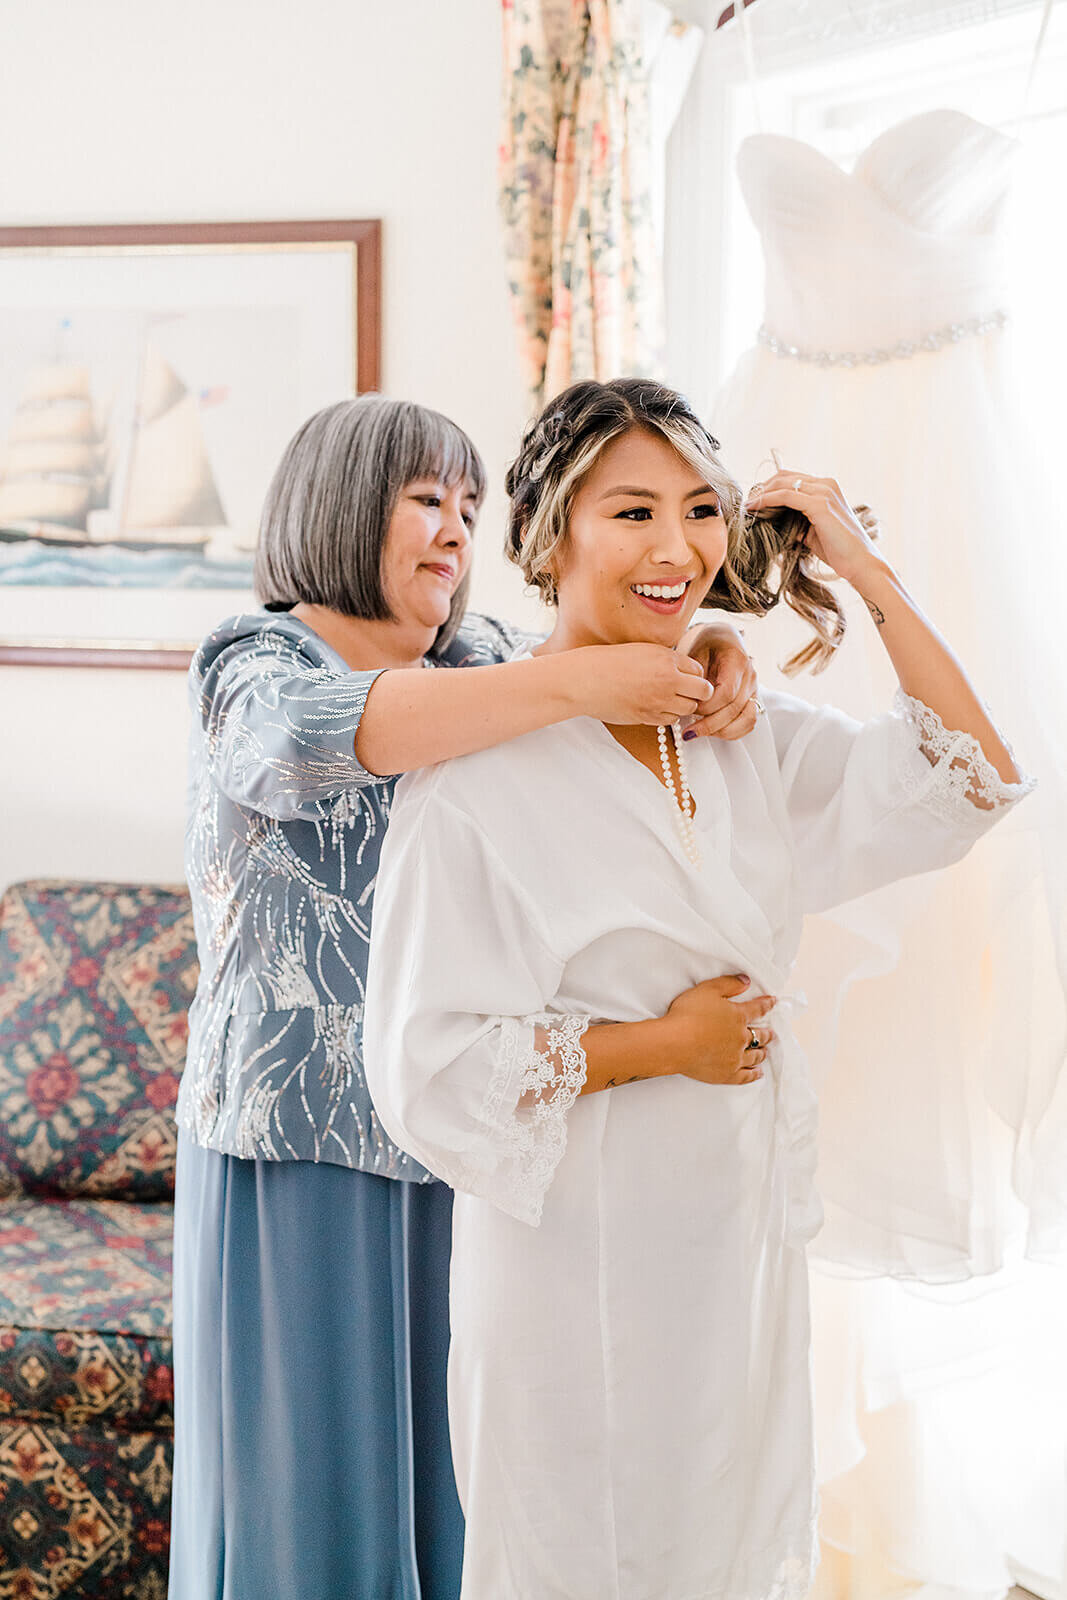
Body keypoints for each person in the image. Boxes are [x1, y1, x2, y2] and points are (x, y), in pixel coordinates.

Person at [361, 377, 1034, 1600]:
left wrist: (863, 570)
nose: (675, 549)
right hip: (571, 1263)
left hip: (731, 1246)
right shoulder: (474, 779)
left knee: (720, 1554)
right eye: (630, 512)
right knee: (579, 1558)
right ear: (550, 535)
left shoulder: (740, 734)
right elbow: (423, 1062)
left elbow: (972, 779)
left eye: (699, 509)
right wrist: (664, 1043)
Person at [168, 393, 760, 1600]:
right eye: (425, 499)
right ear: (341, 504)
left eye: (469, 504)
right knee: (312, 1501)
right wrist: (585, 680)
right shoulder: (254, 660)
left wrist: (706, 645)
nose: (455, 529)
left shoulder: (478, 659)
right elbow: (314, 740)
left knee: (471, 1492)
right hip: (302, 1146)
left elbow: (593, 654)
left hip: (464, 1136)